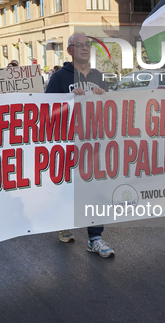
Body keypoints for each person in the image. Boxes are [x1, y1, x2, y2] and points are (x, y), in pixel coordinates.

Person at [45, 33, 115, 258]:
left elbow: (109, 107)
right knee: (68, 189)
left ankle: (95, 238)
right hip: (68, 143)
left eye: (88, 45)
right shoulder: (58, 77)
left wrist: (104, 96)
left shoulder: (97, 75)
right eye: (79, 45)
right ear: (70, 51)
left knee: (96, 189)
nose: (85, 48)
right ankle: (64, 221)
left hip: (94, 143)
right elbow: (46, 111)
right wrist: (67, 98)